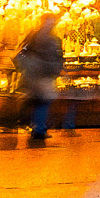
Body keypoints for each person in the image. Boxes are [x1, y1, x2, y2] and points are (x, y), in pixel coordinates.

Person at [15, 13, 64, 141]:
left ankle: (33, 125)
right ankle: (39, 129)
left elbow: (22, 51)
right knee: (43, 102)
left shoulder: (34, 35)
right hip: (44, 74)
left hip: (32, 73)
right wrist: (57, 69)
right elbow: (55, 57)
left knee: (37, 100)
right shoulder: (52, 39)